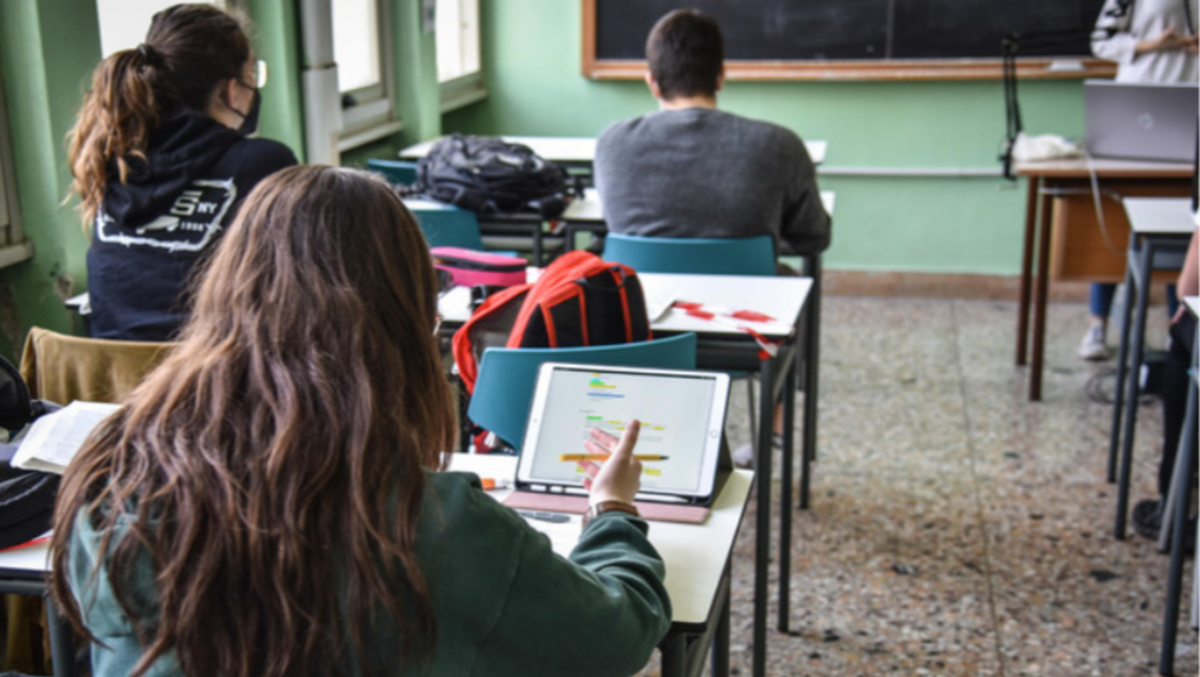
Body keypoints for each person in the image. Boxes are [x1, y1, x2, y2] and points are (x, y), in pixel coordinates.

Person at [48, 166, 671, 677]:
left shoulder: (114, 472)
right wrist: (614, 513)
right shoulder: (431, 523)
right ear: (405, 320)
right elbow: (617, 640)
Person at [68, 3, 297, 342]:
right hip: (215, 384)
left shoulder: (112, 158)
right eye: (252, 75)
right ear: (230, 90)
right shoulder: (264, 164)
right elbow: (301, 288)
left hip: (114, 385)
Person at [593, 8, 831, 259]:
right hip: (747, 295)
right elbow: (813, 237)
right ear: (720, 78)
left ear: (652, 83)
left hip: (644, 295)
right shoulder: (780, 145)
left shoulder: (612, 142)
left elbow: (613, 222)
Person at [1079, 0, 1199, 360]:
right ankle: (1097, 323)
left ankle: (1176, 326)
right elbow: (1101, 42)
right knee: (1113, 226)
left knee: (1182, 223)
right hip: (1139, 106)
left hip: (1190, 108)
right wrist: (1154, 45)